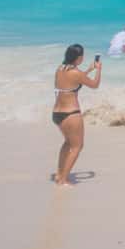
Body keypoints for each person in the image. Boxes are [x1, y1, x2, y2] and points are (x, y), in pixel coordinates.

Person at [52, 44, 101, 186]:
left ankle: (59, 174)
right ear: (78, 58)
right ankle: (63, 180)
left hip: (57, 114)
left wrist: (89, 70)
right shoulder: (76, 73)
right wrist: (98, 70)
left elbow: (74, 81)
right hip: (71, 114)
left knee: (68, 143)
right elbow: (94, 85)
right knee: (77, 146)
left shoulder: (60, 69)